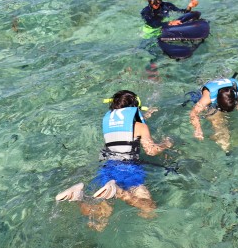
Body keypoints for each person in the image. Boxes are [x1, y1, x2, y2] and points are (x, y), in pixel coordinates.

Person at [55, 90, 172, 231]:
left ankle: (79, 197)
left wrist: (146, 116)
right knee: (149, 210)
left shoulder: (109, 124)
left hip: (108, 168)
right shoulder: (140, 127)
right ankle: (118, 192)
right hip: (129, 170)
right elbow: (151, 151)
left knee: (100, 217)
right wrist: (166, 143)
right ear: (135, 107)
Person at [189, 73, 238, 152]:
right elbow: (193, 113)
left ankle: (224, 143)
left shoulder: (234, 87)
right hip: (209, 87)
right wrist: (197, 129)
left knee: (218, 120)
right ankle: (224, 144)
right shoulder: (208, 97)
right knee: (215, 118)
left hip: (222, 87)